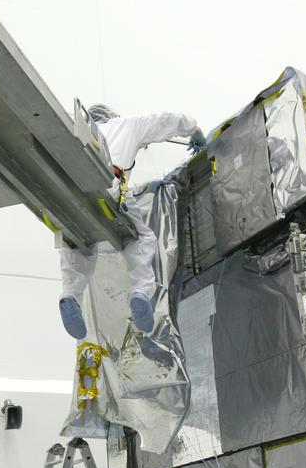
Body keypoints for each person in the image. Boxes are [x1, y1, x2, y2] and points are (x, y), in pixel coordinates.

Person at [58, 104, 204, 340]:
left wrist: (145, 188)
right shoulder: (126, 124)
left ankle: (70, 294)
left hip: (69, 191)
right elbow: (166, 119)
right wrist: (194, 130)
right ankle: (140, 292)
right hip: (109, 187)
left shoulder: (74, 130)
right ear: (111, 116)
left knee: (77, 241)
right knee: (140, 238)